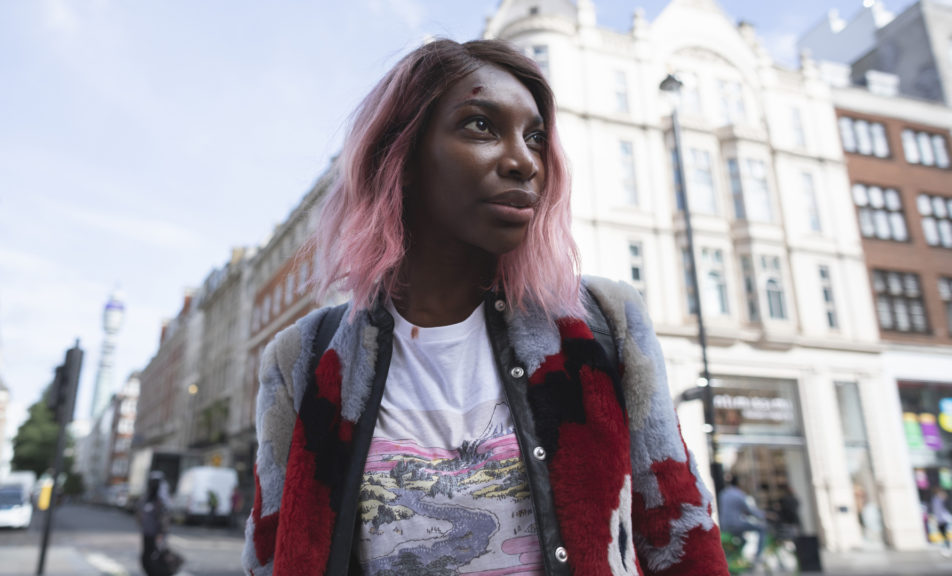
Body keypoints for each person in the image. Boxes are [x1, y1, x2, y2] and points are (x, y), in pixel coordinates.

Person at [241, 38, 728, 576]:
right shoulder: (304, 360)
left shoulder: (603, 325)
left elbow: (682, 535)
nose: (524, 161)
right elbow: (272, 553)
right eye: (481, 125)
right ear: (399, 157)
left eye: (536, 137)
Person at [719, 475, 768, 565]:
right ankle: (758, 556)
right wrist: (763, 515)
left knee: (743, 540)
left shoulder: (724, 493)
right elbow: (749, 510)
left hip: (724, 524)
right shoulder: (739, 494)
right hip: (736, 524)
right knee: (761, 529)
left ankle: (736, 558)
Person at [138, 473, 180, 576]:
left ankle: (163, 571)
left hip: (157, 534)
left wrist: (161, 533)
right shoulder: (147, 497)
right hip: (147, 532)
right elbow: (140, 512)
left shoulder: (161, 500)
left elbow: (164, 517)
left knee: (157, 555)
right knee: (146, 556)